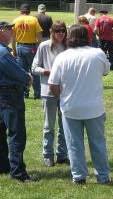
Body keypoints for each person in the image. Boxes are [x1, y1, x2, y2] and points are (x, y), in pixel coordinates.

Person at [49, 24, 111, 185]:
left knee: (74, 144)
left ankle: (78, 176)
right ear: (88, 37)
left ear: (70, 37)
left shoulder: (62, 57)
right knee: (98, 143)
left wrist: (61, 98)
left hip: (70, 107)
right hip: (94, 107)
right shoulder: (97, 53)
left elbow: (53, 84)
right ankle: (103, 176)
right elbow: (106, 71)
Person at [0, 21, 37, 182]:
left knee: (0, 131)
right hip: (9, 95)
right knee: (17, 134)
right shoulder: (1, 52)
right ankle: (18, 172)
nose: (12, 32)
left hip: (1, 94)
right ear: (1, 31)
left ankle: (2, 166)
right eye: (9, 29)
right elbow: (17, 72)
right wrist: (27, 78)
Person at [31, 21, 68, 167]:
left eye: (63, 30)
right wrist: (49, 72)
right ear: (52, 32)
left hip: (65, 91)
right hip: (48, 91)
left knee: (64, 125)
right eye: (58, 30)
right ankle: (48, 155)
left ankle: (62, 154)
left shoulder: (68, 47)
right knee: (49, 126)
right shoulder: (44, 46)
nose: (61, 33)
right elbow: (34, 68)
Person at [13, 3, 43, 99]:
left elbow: (13, 38)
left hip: (20, 46)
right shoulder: (33, 20)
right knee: (34, 70)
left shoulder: (16, 20)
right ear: (29, 12)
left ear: (21, 12)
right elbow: (39, 36)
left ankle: (25, 93)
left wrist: (14, 49)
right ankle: (37, 93)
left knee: (23, 71)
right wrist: (41, 48)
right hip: (31, 48)